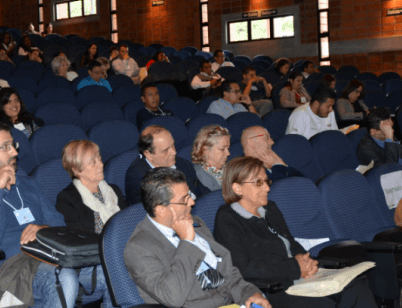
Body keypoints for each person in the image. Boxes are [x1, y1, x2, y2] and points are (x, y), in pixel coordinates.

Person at [0, 122, 107, 307]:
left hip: (52, 256)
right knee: (63, 278)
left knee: (111, 270)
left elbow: (58, 222)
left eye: (13, 145)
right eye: (5, 147)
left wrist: (43, 229)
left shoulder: (29, 185)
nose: (14, 152)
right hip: (13, 268)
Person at [213, 156, 378, 308]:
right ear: (237, 188)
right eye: (258, 183)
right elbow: (244, 268)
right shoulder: (227, 218)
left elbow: (290, 242)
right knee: (324, 304)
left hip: (298, 276)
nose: (266, 188)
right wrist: (296, 268)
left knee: (357, 289)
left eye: (266, 181)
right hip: (272, 286)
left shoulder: (270, 208)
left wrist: (309, 262)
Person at [124, 167, 270, 308]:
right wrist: (187, 241)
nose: (192, 202)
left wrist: (249, 293)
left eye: (190, 196)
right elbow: (173, 297)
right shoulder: (139, 248)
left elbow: (226, 272)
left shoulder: (195, 223)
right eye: (184, 199)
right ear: (161, 210)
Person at [56, 140, 128, 235]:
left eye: (100, 159)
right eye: (93, 162)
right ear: (77, 170)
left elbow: (128, 222)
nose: (101, 165)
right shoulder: (67, 199)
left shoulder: (114, 190)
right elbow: (77, 238)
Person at [125, 125, 208, 205]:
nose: (174, 152)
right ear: (149, 154)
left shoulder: (182, 163)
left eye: (173, 145)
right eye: (165, 150)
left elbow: (202, 191)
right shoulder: (138, 178)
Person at [191, 125, 231, 191]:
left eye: (228, 148)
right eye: (222, 149)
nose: (228, 153)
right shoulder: (200, 178)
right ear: (205, 150)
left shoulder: (230, 167)